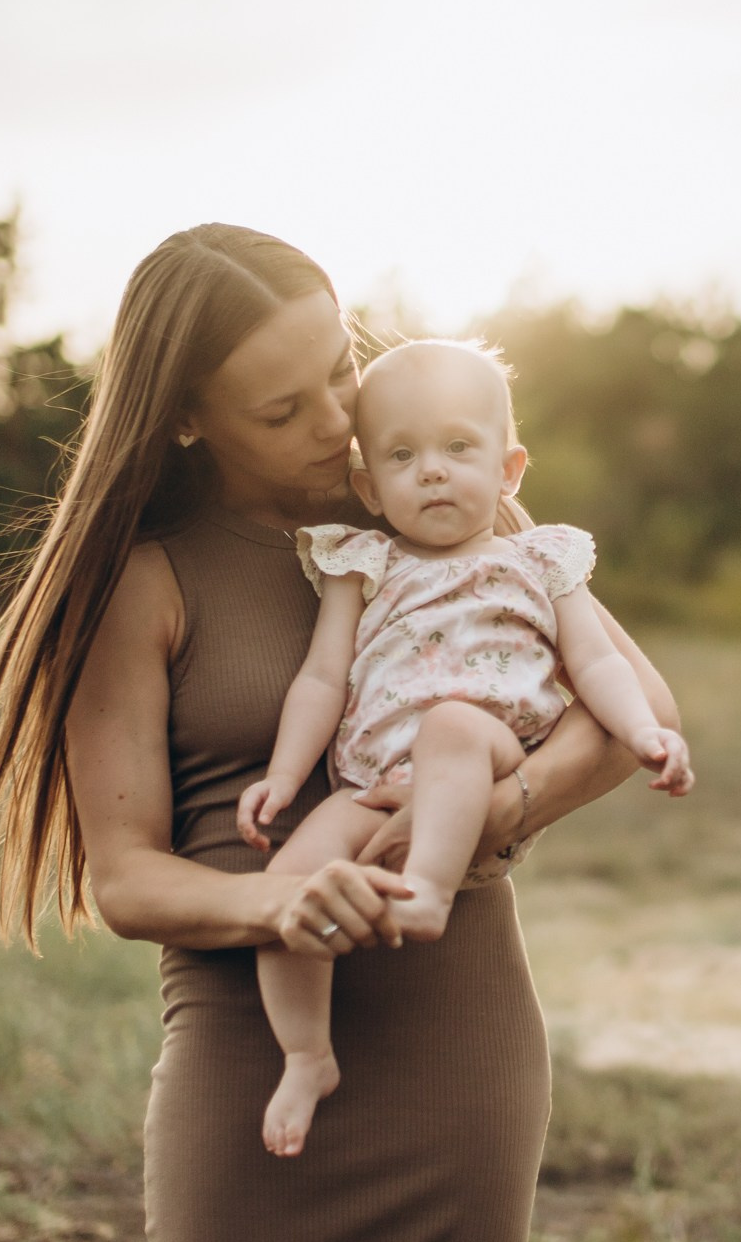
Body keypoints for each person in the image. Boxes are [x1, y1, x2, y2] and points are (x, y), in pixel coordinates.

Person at [0, 223, 676, 1242]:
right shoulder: (145, 584)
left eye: (343, 365)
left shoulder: (431, 494)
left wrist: (484, 815)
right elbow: (128, 879)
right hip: (250, 1058)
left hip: (460, 1042)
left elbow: (629, 709)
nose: (342, 417)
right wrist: (284, 896)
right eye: (288, 405)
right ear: (183, 422)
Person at [236, 338, 692, 1155]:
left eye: (458, 448)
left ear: (509, 469)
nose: (433, 472)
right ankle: (307, 1055)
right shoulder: (361, 564)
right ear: (370, 487)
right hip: (371, 790)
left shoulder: (539, 560)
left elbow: (594, 662)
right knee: (286, 894)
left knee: (450, 723)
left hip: (487, 758)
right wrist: (280, 777)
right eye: (404, 456)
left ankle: (428, 892)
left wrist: (646, 734)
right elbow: (320, 679)